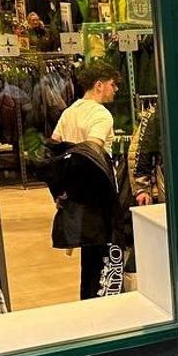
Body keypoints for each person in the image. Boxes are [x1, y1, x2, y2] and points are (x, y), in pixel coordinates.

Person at [49, 60, 123, 300]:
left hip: (73, 193)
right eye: (113, 85)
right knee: (106, 255)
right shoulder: (101, 115)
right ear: (99, 85)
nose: (116, 90)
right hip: (97, 193)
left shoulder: (69, 112)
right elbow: (91, 152)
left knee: (89, 258)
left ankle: (88, 302)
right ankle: (102, 306)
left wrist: (61, 190)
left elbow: (54, 149)